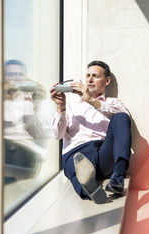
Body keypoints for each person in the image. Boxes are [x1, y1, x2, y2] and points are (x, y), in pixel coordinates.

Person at [50, 61, 131, 204]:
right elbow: (58, 135)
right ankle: (90, 190)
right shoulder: (70, 104)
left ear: (107, 81)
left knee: (121, 117)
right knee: (77, 165)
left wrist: (91, 100)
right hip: (76, 153)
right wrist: (60, 108)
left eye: (95, 76)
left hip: (102, 154)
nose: (89, 79)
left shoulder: (113, 103)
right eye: (87, 76)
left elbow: (124, 121)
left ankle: (118, 175)